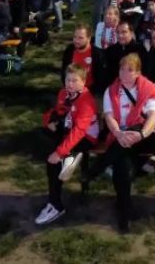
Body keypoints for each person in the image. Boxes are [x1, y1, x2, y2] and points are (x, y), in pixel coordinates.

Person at [85, 53, 155, 233]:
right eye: (122, 69)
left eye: (129, 70)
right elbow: (109, 117)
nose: (124, 73)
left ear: (138, 72)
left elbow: (153, 117)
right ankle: (124, 212)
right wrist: (119, 133)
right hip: (121, 139)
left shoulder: (148, 88)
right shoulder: (111, 90)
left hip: (146, 138)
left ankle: (97, 168)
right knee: (123, 168)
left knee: (134, 131)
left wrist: (141, 134)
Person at [34, 63, 99, 225]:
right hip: (68, 130)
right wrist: (49, 120)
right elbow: (56, 111)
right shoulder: (64, 93)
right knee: (41, 136)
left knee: (53, 161)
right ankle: (67, 159)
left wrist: (59, 152)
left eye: (75, 81)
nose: (70, 84)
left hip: (86, 138)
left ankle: (55, 204)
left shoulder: (86, 101)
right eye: (68, 80)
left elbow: (79, 132)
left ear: (83, 82)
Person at [60, 24, 105, 93]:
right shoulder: (69, 50)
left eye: (80, 38)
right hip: (71, 89)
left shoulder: (97, 54)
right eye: (75, 37)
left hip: (91, 91)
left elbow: (101, 77)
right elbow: (64, 71)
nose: (76, 41)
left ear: (89, 38)